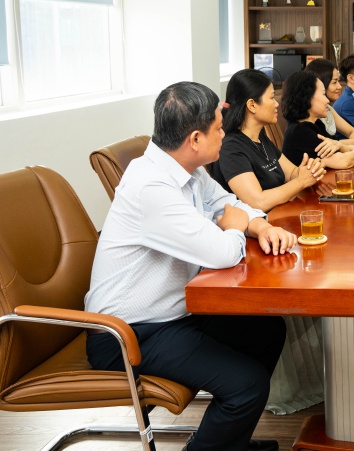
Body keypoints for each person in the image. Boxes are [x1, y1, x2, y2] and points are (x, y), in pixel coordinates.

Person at [85, 81, 296, 451]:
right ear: (196, 139)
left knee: (267, 331)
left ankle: (226, 443)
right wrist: (236, 228)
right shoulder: (152, 187)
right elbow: (223, 252)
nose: (224, 134)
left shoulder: (186, 169)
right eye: (219, 128)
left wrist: (260, 226)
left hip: (175, 313)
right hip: (128, 334)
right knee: (246, 384)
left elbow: (230, 205)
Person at [213, 69, 326, 211]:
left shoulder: (260, 138)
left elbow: (292, 173)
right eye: (272, 97)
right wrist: (301, 182)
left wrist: (310, 170)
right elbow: (258, 202)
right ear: (252, 105)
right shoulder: (231, 148)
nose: (276, 104)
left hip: (281, 215)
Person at [280, 70, 354, 169]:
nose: (327, 101)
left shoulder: (315, 124)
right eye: (323, 94)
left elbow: (337, 144)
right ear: (307, 98)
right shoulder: (300, 132)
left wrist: (341, 146)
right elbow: (345, 161)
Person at [305, 58, 354, 147]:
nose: (339, 86)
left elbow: (351, 132)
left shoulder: (328, 109)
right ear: (319, 83)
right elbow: (324, 145)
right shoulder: (308, 116)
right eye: (334, 82)